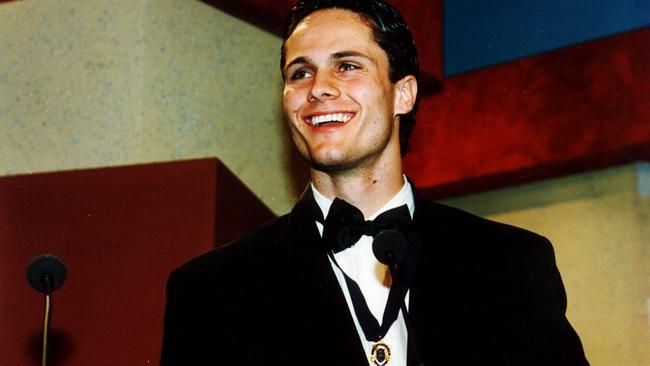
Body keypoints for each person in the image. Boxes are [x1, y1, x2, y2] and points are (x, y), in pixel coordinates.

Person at [160, 0, 589, 365]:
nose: (319, 89)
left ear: (404, 93)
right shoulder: (209, 290)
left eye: (347, 66)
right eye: (300, 73)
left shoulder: (512, 264)